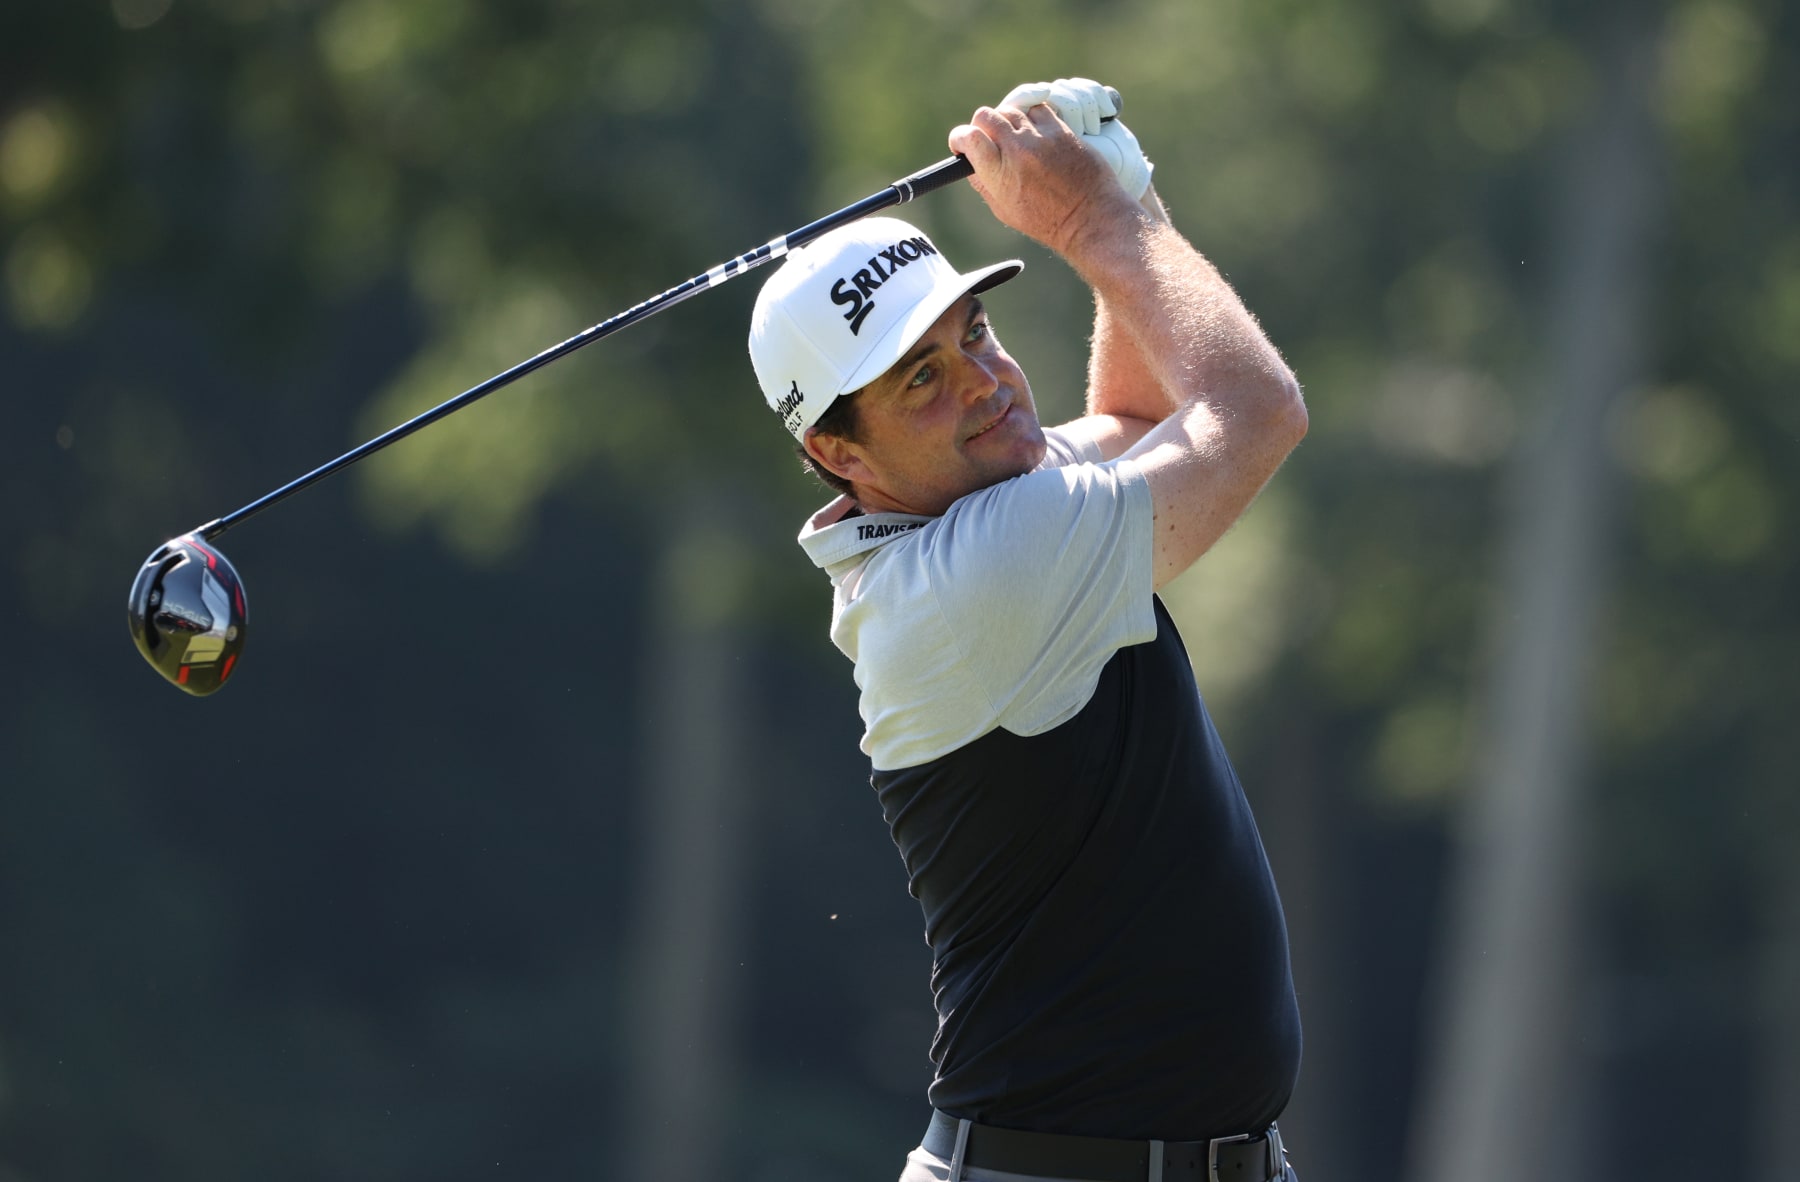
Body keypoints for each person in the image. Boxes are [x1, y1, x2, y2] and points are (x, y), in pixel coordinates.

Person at [747, 78, 1310, 1182]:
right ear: (842, 458)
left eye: (976, 333)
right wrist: (1098, 221)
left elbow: (1148, 421)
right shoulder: (979, 574)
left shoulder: (977, 500)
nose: (988, 385)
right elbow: (1254, 410)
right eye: (923, 378)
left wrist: (1129, 192)